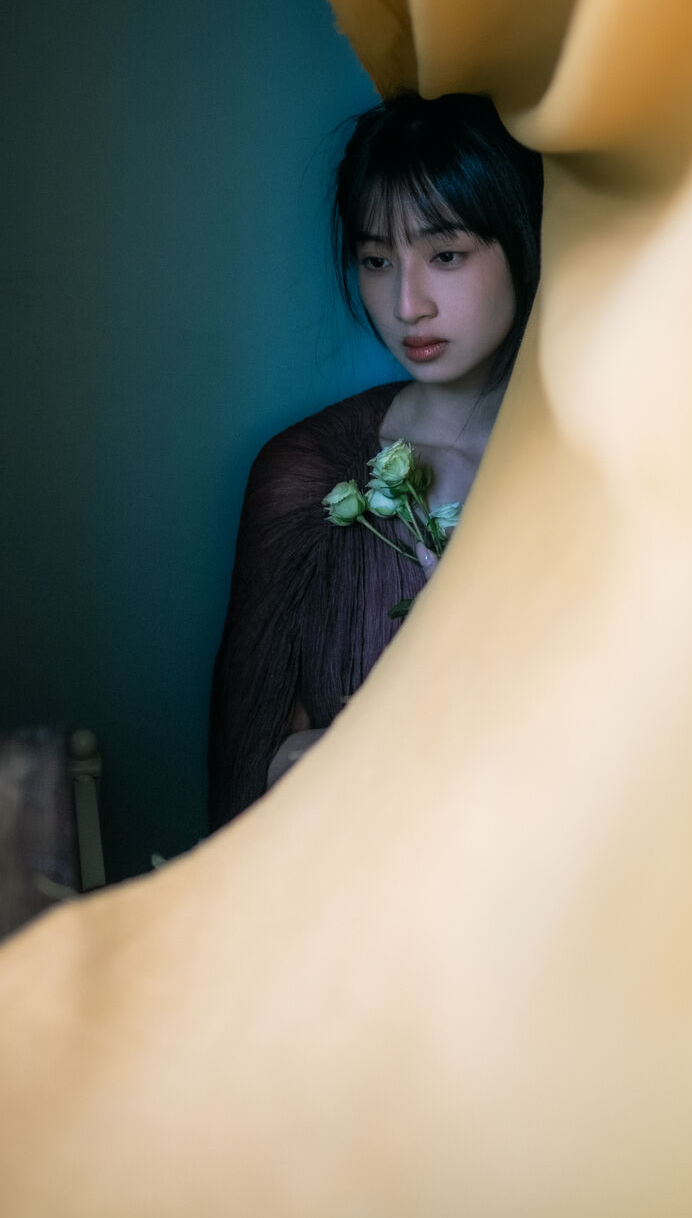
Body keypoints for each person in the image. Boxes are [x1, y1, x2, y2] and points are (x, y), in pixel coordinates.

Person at [208, 92, 543, 828]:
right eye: (376, 260)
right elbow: (240, 794)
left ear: (523, 243)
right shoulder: (304, 473)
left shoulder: (588, 475)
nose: (407, 304)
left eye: (446, 255)